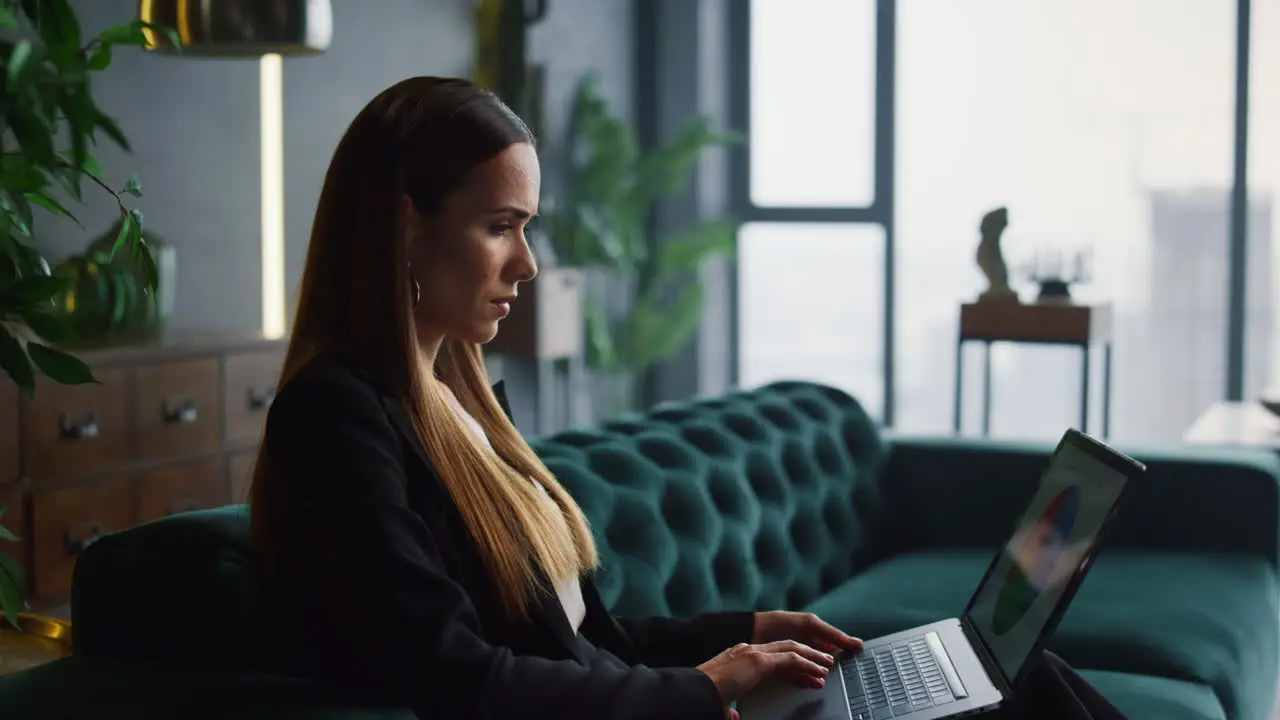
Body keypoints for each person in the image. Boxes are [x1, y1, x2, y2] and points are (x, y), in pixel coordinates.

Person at [247, 76, 1126, 720]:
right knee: (1017, 695)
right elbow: (451, 672)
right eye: (500, 227)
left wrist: (747, 632)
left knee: (1020, 678)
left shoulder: (465, 405)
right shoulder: (336, 416)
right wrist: (705, 690)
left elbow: (589, 639)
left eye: (528, 228)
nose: (528, 264)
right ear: (405, 225)